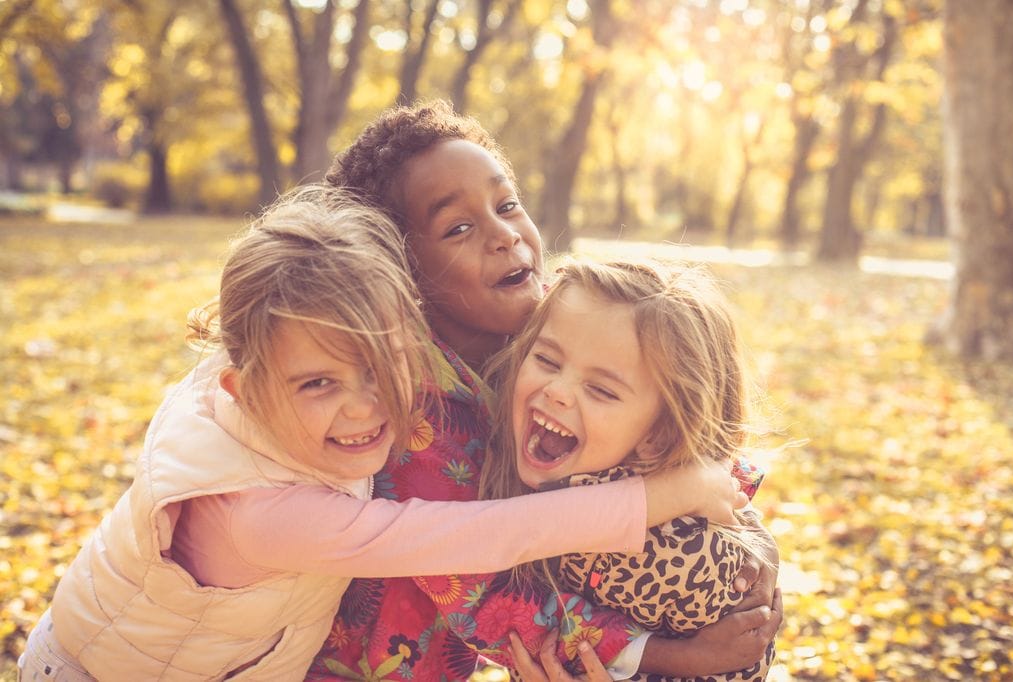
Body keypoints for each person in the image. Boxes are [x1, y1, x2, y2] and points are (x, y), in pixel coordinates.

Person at [17, 188, 744, 682]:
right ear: (250, 387)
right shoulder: (263, 515)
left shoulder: (274, 366)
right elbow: (485, 539)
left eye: (384, 369)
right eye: (321, 385)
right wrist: (670, 498)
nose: (369, 410)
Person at [314, 101, 781, 680]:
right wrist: (674, 658)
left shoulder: (546, 340)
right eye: (458, 227)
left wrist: (751, 551)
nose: (505, 235)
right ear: (399, 265)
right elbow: (480, 589)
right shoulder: (410, 408)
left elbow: (685, 433)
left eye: (507, 205)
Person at [480, 258, 778, 682]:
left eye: (601, 389)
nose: (557, 391)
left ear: (658, 434)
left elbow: (736, 663)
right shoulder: (520, 464)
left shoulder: (686, 560)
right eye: (546, 359)